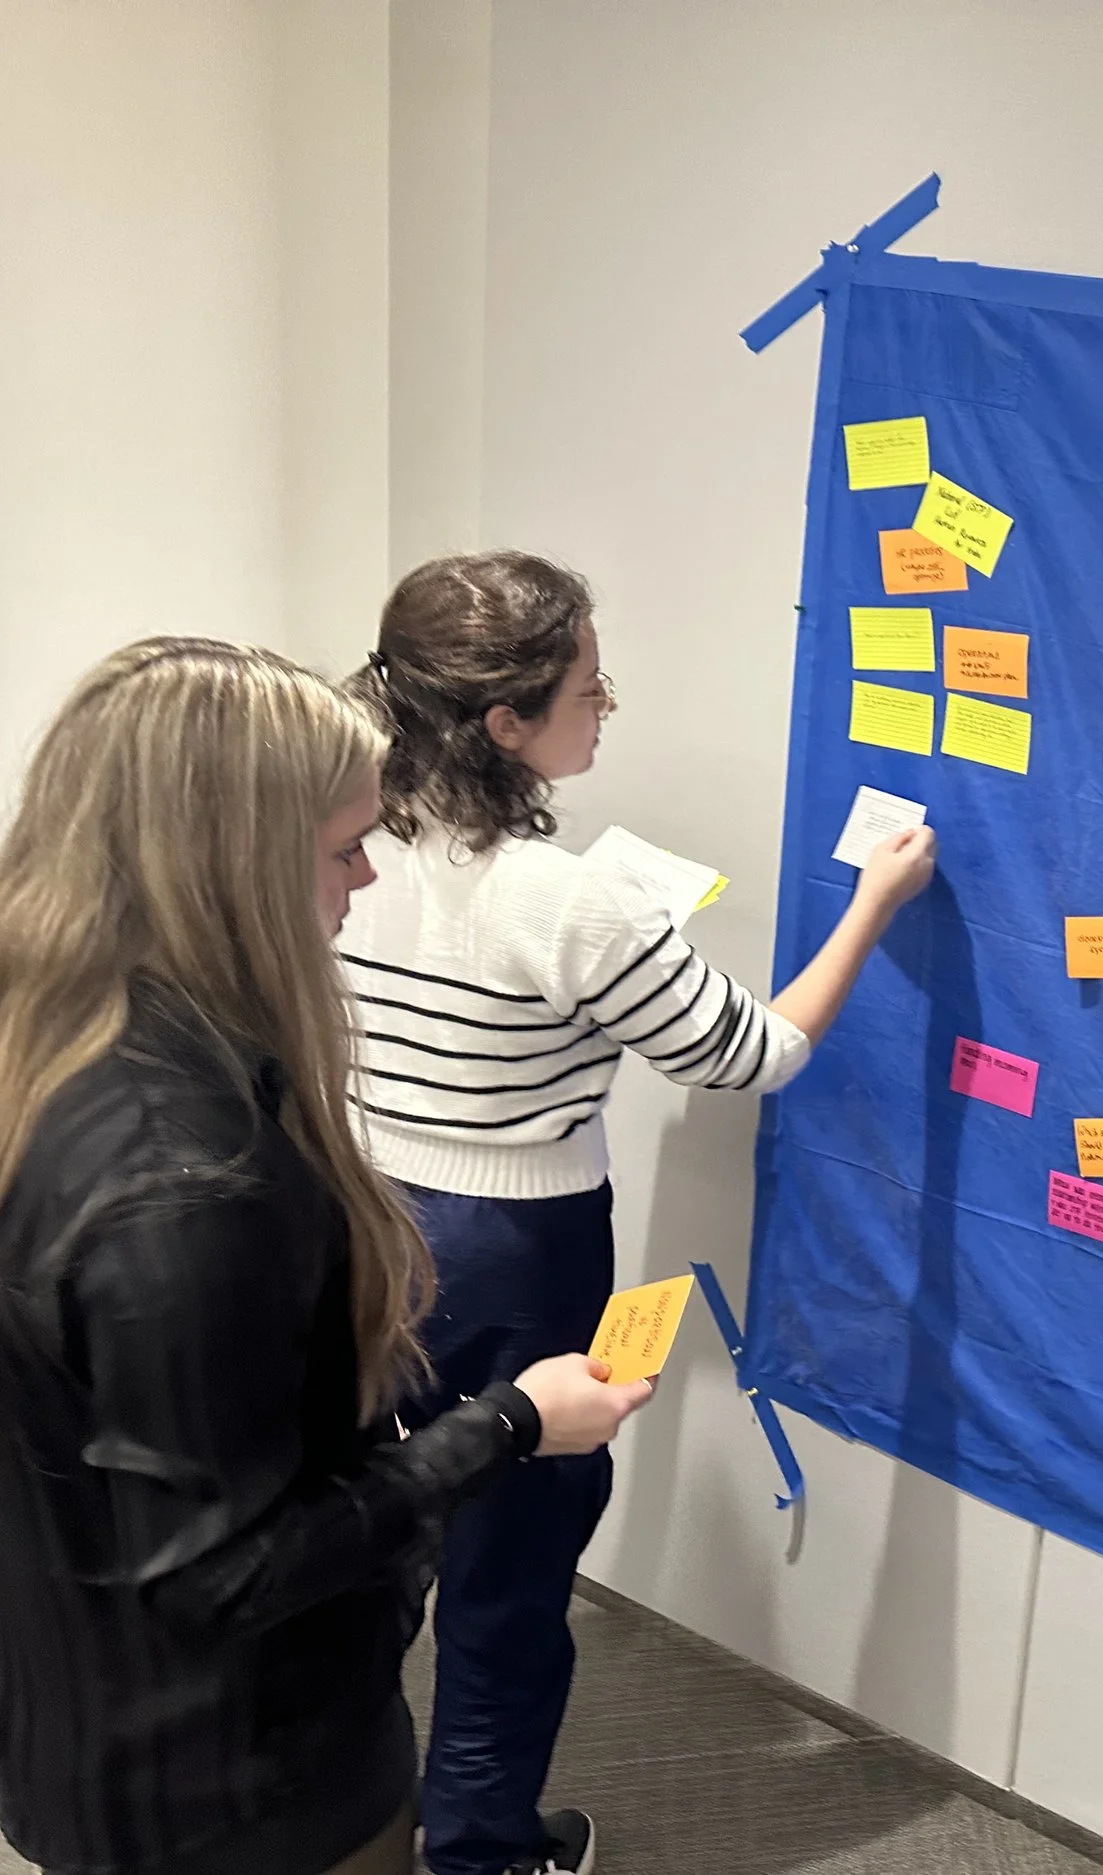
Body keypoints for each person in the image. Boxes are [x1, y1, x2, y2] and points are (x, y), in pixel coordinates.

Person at [0, 639, 649, 1875]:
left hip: (83, 1717)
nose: (364, 876)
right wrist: (509, 1425)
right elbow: (225, 1576)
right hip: (240, 1784)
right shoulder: (187, 1183)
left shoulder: (49, 1053)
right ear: (226, 868)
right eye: (343, 845)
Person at [338, 552, 936, 1875]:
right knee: (512, 1561)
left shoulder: (347, 830)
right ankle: (482, 1849)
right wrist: (872, 906)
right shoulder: (572, 899)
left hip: (367, 1214)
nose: (607, 705)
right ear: (506, 721)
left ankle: (350, 1826)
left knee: (368, 1534)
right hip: (514, 1253)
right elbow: (757, 1053)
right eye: (590, 686)